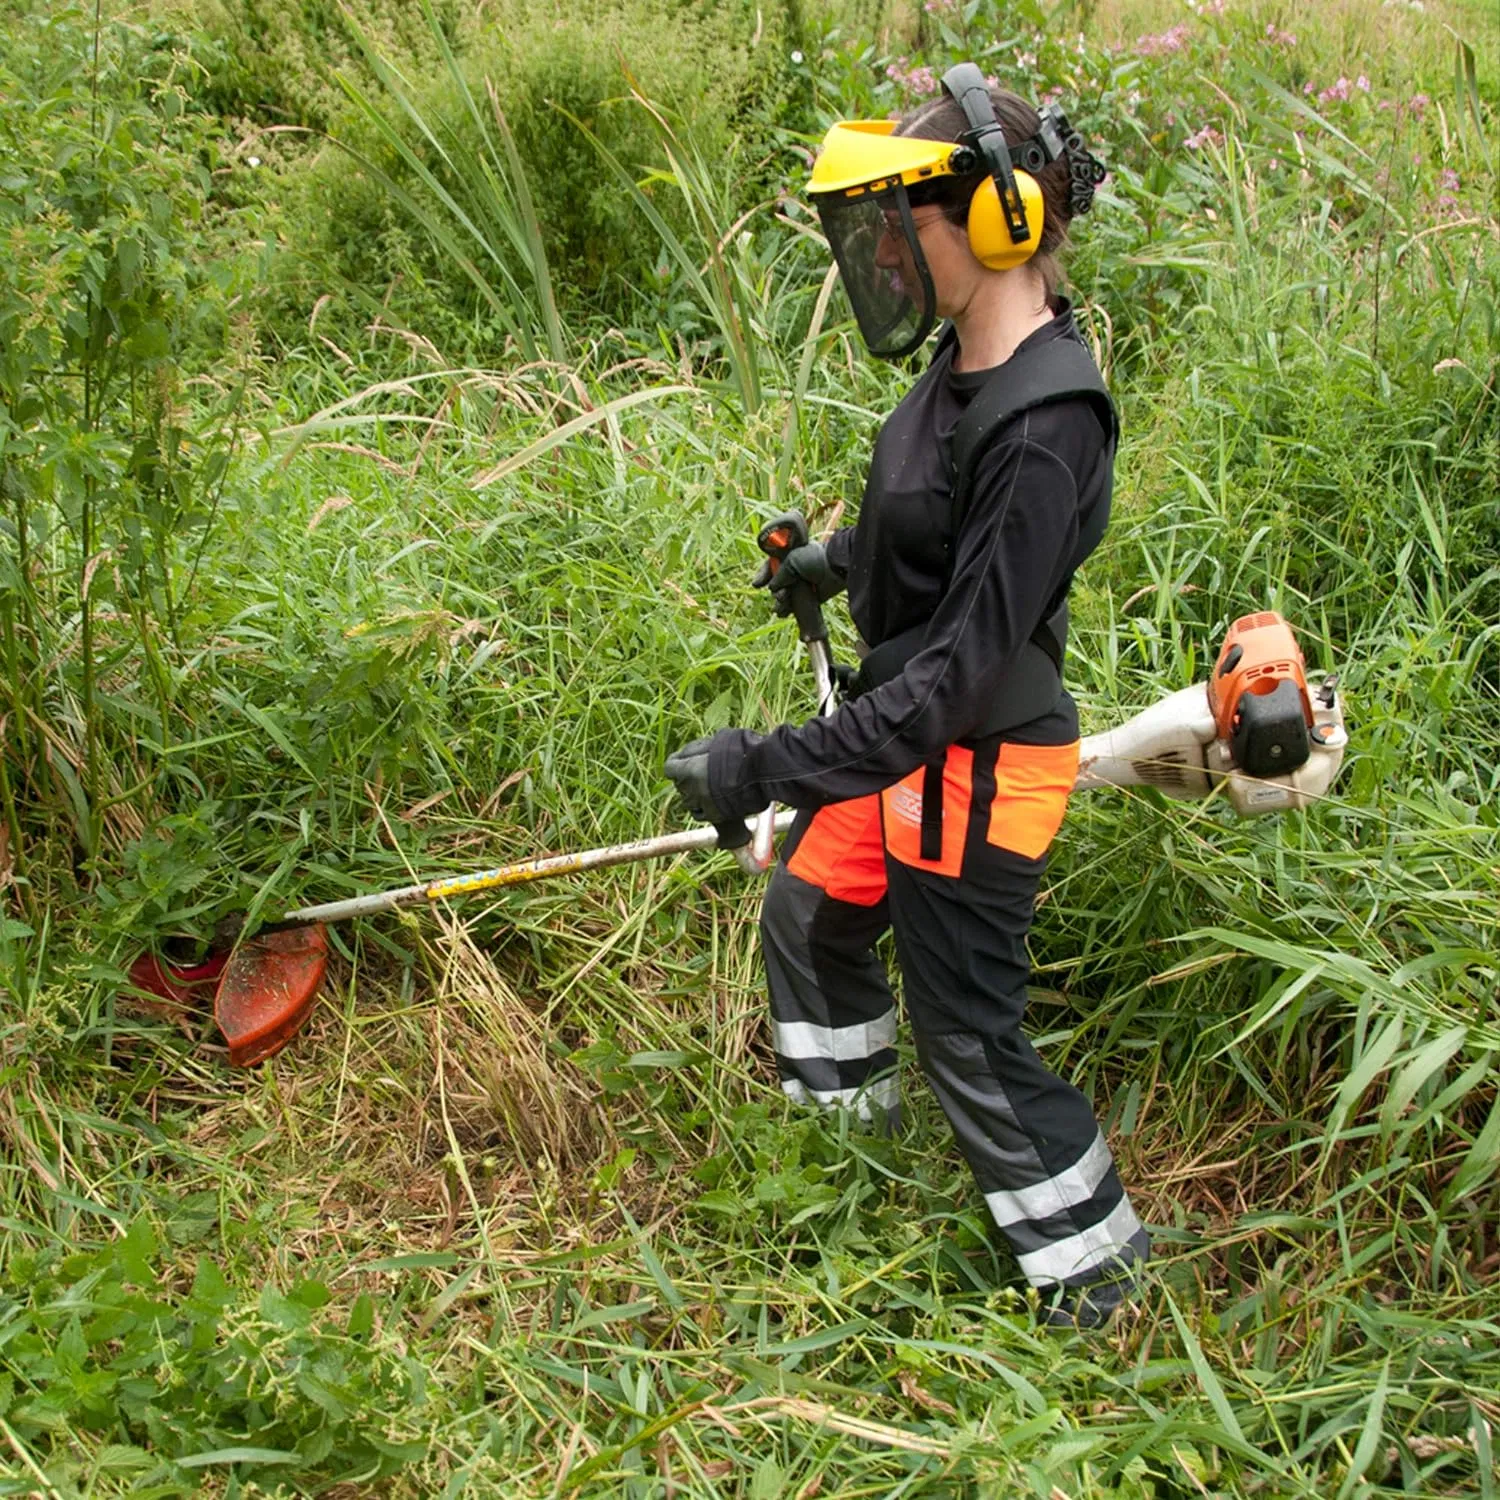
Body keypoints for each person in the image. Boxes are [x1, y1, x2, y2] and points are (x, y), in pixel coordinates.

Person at [664, 63, 1148, 1328]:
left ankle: (1097, 1278)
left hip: (974, 765)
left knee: (972, 1036)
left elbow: (954, 674)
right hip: (905, 744)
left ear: (999, 224)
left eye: (905, 225)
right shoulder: (963, 366)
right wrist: (830, 565)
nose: (884, 250)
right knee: (812, 922)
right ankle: (844, 1158)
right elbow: (929, 524)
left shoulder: (1050, 424)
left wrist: (764, 769)